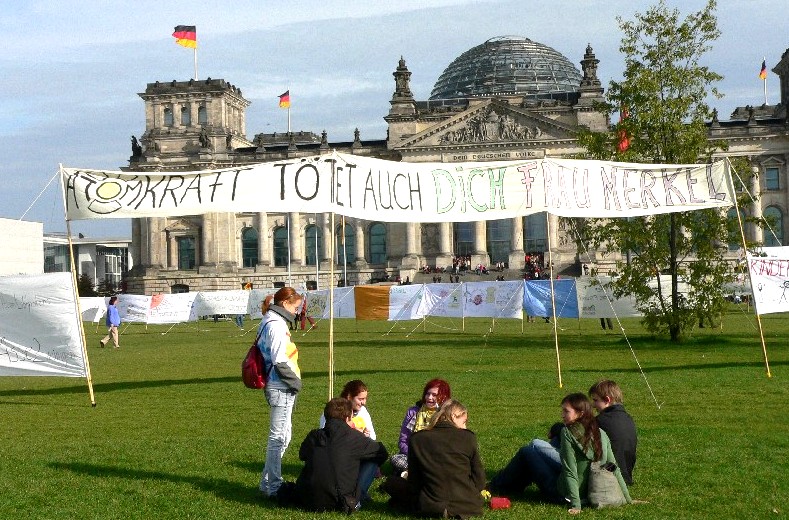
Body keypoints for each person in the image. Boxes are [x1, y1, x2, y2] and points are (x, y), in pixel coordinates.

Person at [489, 393, 630, 514]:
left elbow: (570, 471)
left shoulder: (568, 433)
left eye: (566, 411)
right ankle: (514, 485)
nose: (562, 415)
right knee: (543, 450)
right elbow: (613, 467)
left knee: (527, 451)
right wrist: (627, 499)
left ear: (580, 413)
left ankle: (495, 486)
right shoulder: (600, 432)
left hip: (563, 494)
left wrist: (576, 505)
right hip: (589, 489)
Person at [294, 398, 388, 512]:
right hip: (342, 502)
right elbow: (381, 452)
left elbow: (302, 455)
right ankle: (359, 495)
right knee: (372, 460)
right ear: (348, 418)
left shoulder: (314, 436)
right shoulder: (354, 437)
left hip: (308, 499)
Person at [257, 287, 304, 498]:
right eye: (295, 307)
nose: (297, 312)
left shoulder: (272, 320)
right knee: (278, 438)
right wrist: (295, 382)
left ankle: (267, 481)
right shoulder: (275, 325)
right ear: (285, 304)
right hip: (280, 386)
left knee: (284, 436)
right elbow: (279, 360)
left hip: (279, 385)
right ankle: (273, 486)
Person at [407, 399, 486, 518]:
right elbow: (479, 479)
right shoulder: (467, 437)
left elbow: (414, 481)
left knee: (393, 484)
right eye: (464, 421)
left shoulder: (417, 439)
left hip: (430, 505)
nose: (465, 426)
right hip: (467, 505)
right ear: (454, 416)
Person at [390, 378, 451, 473]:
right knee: (396, 459)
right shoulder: (413, 412)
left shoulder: (446, 415)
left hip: (436, 457)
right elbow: (403, 441)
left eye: (434, 395)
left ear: (443, 397)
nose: (429, 398)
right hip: (413, 455)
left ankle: (413, 473)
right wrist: (416, 455)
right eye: (428, 394)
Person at [588, 380, 637, 486]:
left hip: (608, 476)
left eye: (596, 400)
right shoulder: (628, 419)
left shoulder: (600, 421)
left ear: (607, 400)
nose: (593, 405)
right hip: (625, 476)